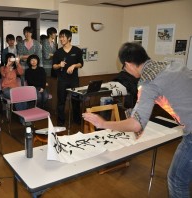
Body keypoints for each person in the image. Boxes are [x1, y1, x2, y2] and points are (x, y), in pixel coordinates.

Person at [83, 42, 192, 198]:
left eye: (124, 67)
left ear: (128, 64)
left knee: (176, 180)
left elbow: (136, 124)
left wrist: (103, 123)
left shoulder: (149, 83)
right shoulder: (174, 65)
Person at [52, 29, 83, 126]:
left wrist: (74, 66)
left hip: (74, 80)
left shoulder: (77, 50)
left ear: (69, 38)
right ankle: (61, 122)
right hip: (62, 80)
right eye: (60, 37)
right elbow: (54, 66)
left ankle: (77, 120)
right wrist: (59, 65)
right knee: (61, 102)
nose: (61, 39)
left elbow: (81, 64)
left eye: (63, 37)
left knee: (76, 100)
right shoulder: (58, 52)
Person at [0, 53, 27, 125]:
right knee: (17, 98)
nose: (11, 60)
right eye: (10, 58)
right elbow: (4, 75)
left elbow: (21, 73)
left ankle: (25, 117)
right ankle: (23, 119)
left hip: (15, 89)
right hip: (6, 89)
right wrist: (8, 66)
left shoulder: (15, 69)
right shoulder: (2, 68)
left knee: (24, 98)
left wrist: (18, 63)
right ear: (7, 59)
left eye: (13, 58)